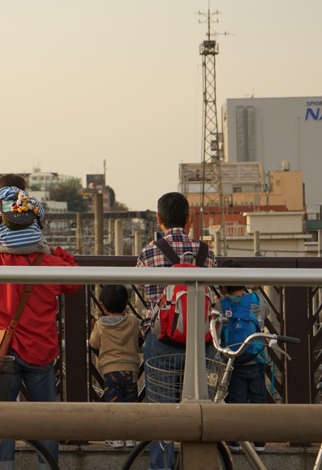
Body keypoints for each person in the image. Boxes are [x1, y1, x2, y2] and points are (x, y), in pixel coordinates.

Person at [0, 219, 82, 467]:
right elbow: (76, 280)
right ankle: (46, 465)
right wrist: (55, 251)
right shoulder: (50, 263)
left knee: (3, 418)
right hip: (40, 350)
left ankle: (5, 466)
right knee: (46, 419)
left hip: (3, 350)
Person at [135, 191, 216, 470]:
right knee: (202, 413)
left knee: (162, 417)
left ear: (159, 219)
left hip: (161, 342)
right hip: (201, 342)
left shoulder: (148, 252)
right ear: (189, 218)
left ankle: (162, 466)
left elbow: (144, 295)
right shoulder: (206, 253)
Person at [216, 258, 270, 453]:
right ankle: (259, 440)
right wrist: (254, 289)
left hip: (234, 361)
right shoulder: (256, 300)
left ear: (223, 284)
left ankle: (235, 439)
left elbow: (217, 326)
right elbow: (266, 312)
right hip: (256, 359)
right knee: (258, 399)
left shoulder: (221, 304)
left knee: (236, 399)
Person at [89, 284, 140, 449]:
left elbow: (93, 343)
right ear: (126, 305)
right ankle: (131, 437)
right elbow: (140, 332)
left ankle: (116, 437)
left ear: (102, 306)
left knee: (114, 404)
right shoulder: (132, 321)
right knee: (130, 403)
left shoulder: (100, 325)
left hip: (110, 371)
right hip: (131, 370)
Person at [0, 174, 50, 254]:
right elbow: (41, 215)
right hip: (34, 245)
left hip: (7, 247)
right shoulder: (30, 201)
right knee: (48, 251)